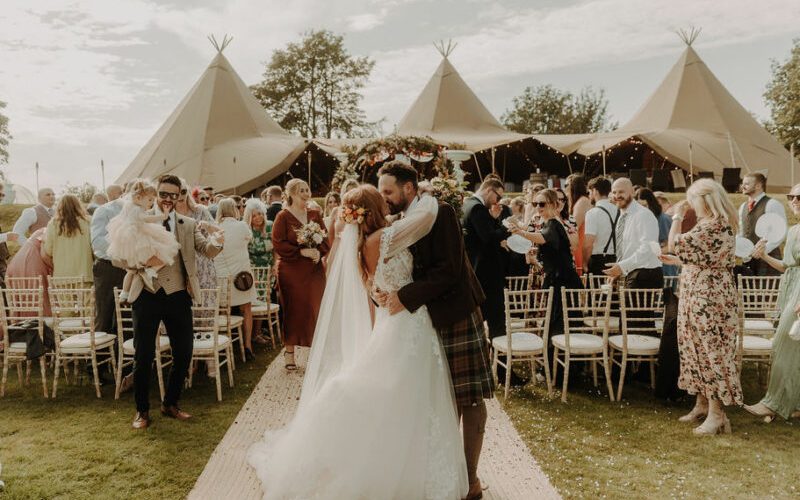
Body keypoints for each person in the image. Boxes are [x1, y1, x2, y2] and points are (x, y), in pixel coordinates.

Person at [248, 185, 468, 499]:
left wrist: (382, 290)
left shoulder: (362, 245)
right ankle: (404, 465)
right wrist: (428, 193)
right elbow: (427, 217)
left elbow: (370, 285)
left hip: (395, 320)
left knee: (403, 393)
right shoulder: (384, 238)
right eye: (383, 199)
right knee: (408, 394)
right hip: (407, 324)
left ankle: (403, 459)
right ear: (374, 208)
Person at [376, 161, 494, 499]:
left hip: (456, 314)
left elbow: (448, 269)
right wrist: (386, 291)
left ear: (408, 188)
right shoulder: (402, 221)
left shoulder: (438, 213)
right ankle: (449, 475)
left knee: (468, 398)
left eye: (389, 191)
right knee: (441, 398)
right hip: (426, 320)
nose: (385, 198)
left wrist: (405, 296)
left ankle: (470, 481)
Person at [119, 174, 223, 430]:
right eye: (163, 194)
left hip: (178, 295)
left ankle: (170, 403)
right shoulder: (140, 219)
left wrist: (219, 240)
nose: (167, 199)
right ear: (155, 194)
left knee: (184, 352)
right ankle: (142, 411)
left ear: (181, 196)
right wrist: (141, 263)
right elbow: (119, 256)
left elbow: (206, 251)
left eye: (173, 195)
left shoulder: (187, 224)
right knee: (143, 355)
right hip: (146, 293)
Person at [659, 179, 742, 435]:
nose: (691, 206)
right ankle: (702, 405)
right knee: (694, 348)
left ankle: (717, 414)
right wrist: (678, 260)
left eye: (693, 200)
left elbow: (676, 242)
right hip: (698, 293)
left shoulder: (715, 225)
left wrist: (677, 217)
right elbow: (700, 257)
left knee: (711, 351)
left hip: (710, 299)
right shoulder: (711, 225)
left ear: (705, 200)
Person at [743, 184, 800, 422]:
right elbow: (787, 266)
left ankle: (773, 403)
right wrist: (764, 255)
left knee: (782, 345)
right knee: (793, 350)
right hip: (789, 288)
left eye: (799, 196)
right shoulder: (795, 230)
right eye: (791, 196)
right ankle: (794, 405)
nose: (795, 200)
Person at [272, 179, 329, 370]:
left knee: (316, 308)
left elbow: (325, 237)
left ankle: (317, 352)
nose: (306, 193)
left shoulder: (314, 214)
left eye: (307, 189)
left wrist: (318, 251)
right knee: (293, 310)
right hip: (291, 270)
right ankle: (289, 354)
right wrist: (301, 252)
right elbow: (278, 243)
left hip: (314, 271)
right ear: (292, 194)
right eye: (301, 190)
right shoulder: (283, 216)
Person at [513, 189, 583, 335]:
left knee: (560, 321)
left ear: (552, 204)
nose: (538, 207)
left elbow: (542, 238)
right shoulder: (548, 223)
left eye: (542, 203)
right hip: (556, 277)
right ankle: (554, 353)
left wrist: (520, 232)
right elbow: (553, 248)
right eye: (535, 203)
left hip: (563, 279)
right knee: (555, 320)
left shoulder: (553, 222)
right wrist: (538, 253)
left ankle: (557, 353)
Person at [106, 180, 181, 303]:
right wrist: (162, 216)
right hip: (138, 235)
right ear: (139, 197)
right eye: (150, 200)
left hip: (134, 235)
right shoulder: (136, 209)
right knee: (164, 250)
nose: (152, 203)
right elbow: (145, 219)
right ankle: (148, 271)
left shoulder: (130, 205)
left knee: (131, 271)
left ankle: (124, 294)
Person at [214, 198, 257, 360]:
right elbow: (249, 239)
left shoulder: (215, 228)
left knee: (220, 311)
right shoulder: (242, 226)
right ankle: (247, 345)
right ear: (234, 209)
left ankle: (222, 346)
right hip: (242, 279)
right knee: (246, 309)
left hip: (221, 280)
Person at [603, 178, 663, 289]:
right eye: (614, 192)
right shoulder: (623, 215)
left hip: (645, 276)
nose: (617, 196)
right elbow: (627, 249)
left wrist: (622, 267)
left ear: (632, 192)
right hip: (632, 274)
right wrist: (620, 270)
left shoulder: (643, 215)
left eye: (621, 192)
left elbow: (648, 248)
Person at [90, 185, 126, 332]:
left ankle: (127, 353)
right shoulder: (104, 210)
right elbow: (97, 242)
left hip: (134, 269)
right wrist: (125, 249)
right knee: (105, 315)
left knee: (128, 318)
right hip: (109, 268)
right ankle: (102, 354)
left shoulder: (142, 211)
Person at [738, 173, 786, 276]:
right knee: (749, 291)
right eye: (743, 183)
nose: (743, 186)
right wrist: (741, 251)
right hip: (748, 260)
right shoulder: (743, 206)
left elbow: (780, 232)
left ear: (758, 186)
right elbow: (741, 232)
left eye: (746, 184)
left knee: (767, 291)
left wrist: (763, 251)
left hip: (769, 259)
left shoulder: (772, 204)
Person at [42, 194, 93, 286]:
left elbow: (48, 251)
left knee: (67, 301)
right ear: (78, 205)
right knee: (86, 300)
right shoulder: (89, 221)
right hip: (85, 274)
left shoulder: (53, 224)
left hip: (62, 277)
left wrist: (43, 242)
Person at [244, 199, 273, 347]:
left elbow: (275, 248)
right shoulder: (247, 230)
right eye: (254, 215)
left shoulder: (270, 227)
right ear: (249, 216)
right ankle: (254, 334)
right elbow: (249, 251)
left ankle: (259, 331)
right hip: (253, 270)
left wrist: (275, 264)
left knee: (263, 300)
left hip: (267, 269)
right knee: (255, 302)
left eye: (260, 214)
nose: (258, 217)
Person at [6, 228, 52, 316]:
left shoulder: (44, 230)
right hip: (33, 260)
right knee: (37, 294)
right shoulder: (49, 230)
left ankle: (22, 323)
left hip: (17, 261)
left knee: (22, 296)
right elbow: (45, 254)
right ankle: (37, 323)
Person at [583, 176, 618, 277]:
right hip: (618, 260)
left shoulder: (593, 213)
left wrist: (585, 263)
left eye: (589, 192)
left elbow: (588, 243)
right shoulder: (619, 211)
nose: (589, 196)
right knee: (615, 292)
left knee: (597, 292)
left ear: (595, 191)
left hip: (599, 261)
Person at [637, 187, 676, 276]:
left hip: (664, 268)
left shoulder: (663, 219)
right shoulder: (642, 220)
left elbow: (669, 246)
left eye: (644, 206)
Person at [566, 174, 591, 275]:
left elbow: (573, 226)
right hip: (578, 242)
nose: (565, 188)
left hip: (580, 243)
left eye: (566, 185)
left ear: (573, 186)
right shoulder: (579, 201)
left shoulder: (582, 201)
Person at [0, 183, 20, 287]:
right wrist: (6, 236)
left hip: (1, 257)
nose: (2, 198)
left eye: (3, 195)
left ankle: (10, 303)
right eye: (0, 195)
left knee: (7, 284)